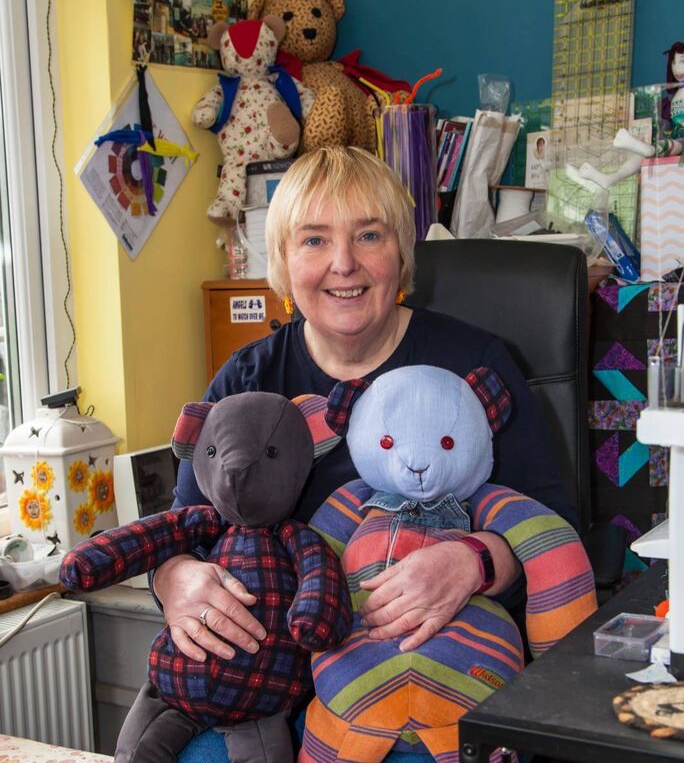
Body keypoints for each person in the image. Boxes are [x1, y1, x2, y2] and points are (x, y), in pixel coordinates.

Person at [152, 146, 576, 670]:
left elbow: (555, 524)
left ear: (400, 253)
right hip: (274, 672)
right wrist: (174, 578)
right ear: (283, 261)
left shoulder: (474, 363)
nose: (344, 263)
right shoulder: (246, 379)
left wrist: (476, 561)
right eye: (314, 239)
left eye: (369, 235)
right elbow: (182, 527)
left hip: (431, 661)